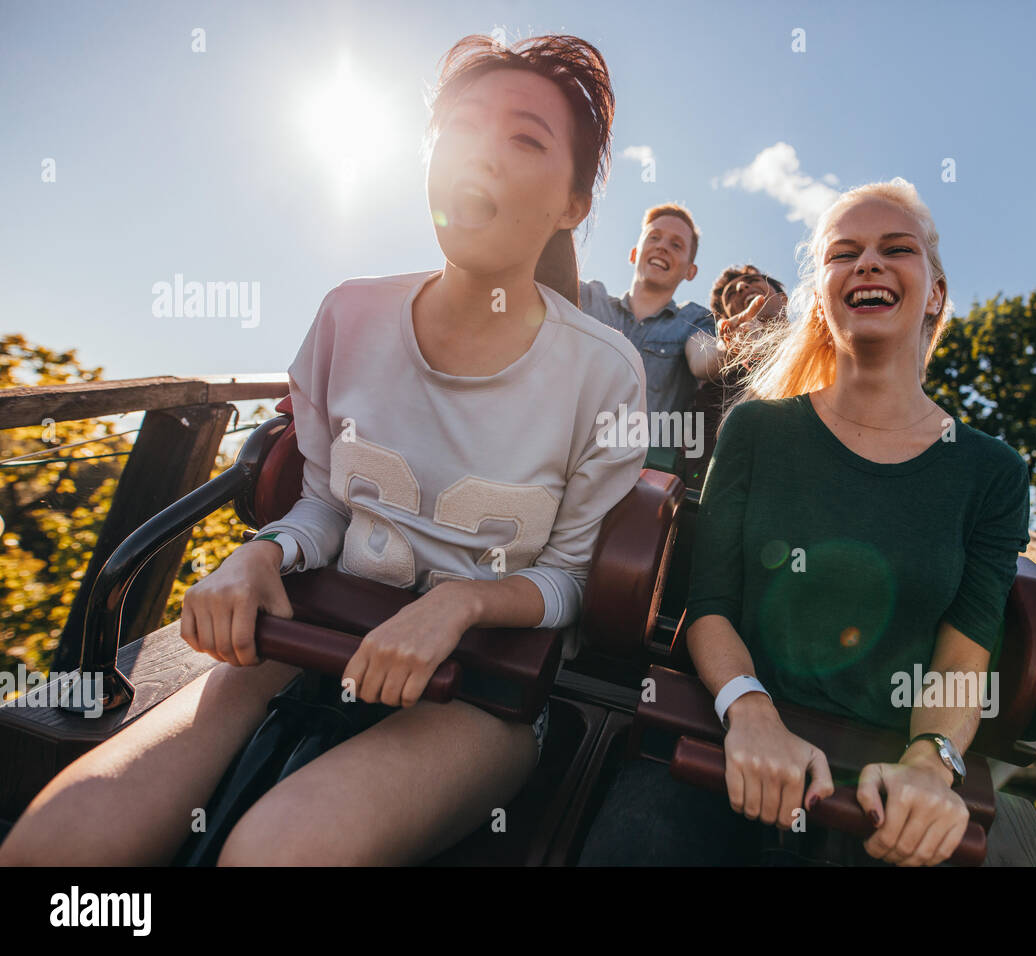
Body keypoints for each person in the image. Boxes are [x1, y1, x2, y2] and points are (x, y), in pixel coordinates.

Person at [0, 33, 645, 867]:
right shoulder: (349, 316)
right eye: (460, 127)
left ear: (573, 204)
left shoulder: (604, 373)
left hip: (482, 692)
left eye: (525, 138)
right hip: (310, 632)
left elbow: (567, 578)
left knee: (278, 854)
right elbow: (329, 503)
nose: (482, 153)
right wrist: (262, 554)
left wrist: (459, 604)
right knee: (54, 850)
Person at [580, 178, 1030, 867]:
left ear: (935, 292)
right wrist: (752, 713)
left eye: (896, 249)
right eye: (843, 253)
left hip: (880, 793)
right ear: (821, 296)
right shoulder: (757, 429)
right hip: (722, 739)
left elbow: (963, 657)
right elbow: (711, 608)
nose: (869, 264)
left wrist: (931, 764)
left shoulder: (992, 472)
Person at [579, 205, 724, 430]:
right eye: (654, 237)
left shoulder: (693, 319)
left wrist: (729, 344)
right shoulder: (588, 298)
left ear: (690, 271)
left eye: (676, 245)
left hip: (637, 462)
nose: (662, 247)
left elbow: (704, 360)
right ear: (634, 253)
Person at [682, 265, 787, 485]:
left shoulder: (823, 348)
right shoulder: (715, 374)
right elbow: (703, 363)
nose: (741, 286)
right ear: (723, 319)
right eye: (730, 293)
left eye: (753, 279)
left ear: (783, 298)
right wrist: (732, 346)